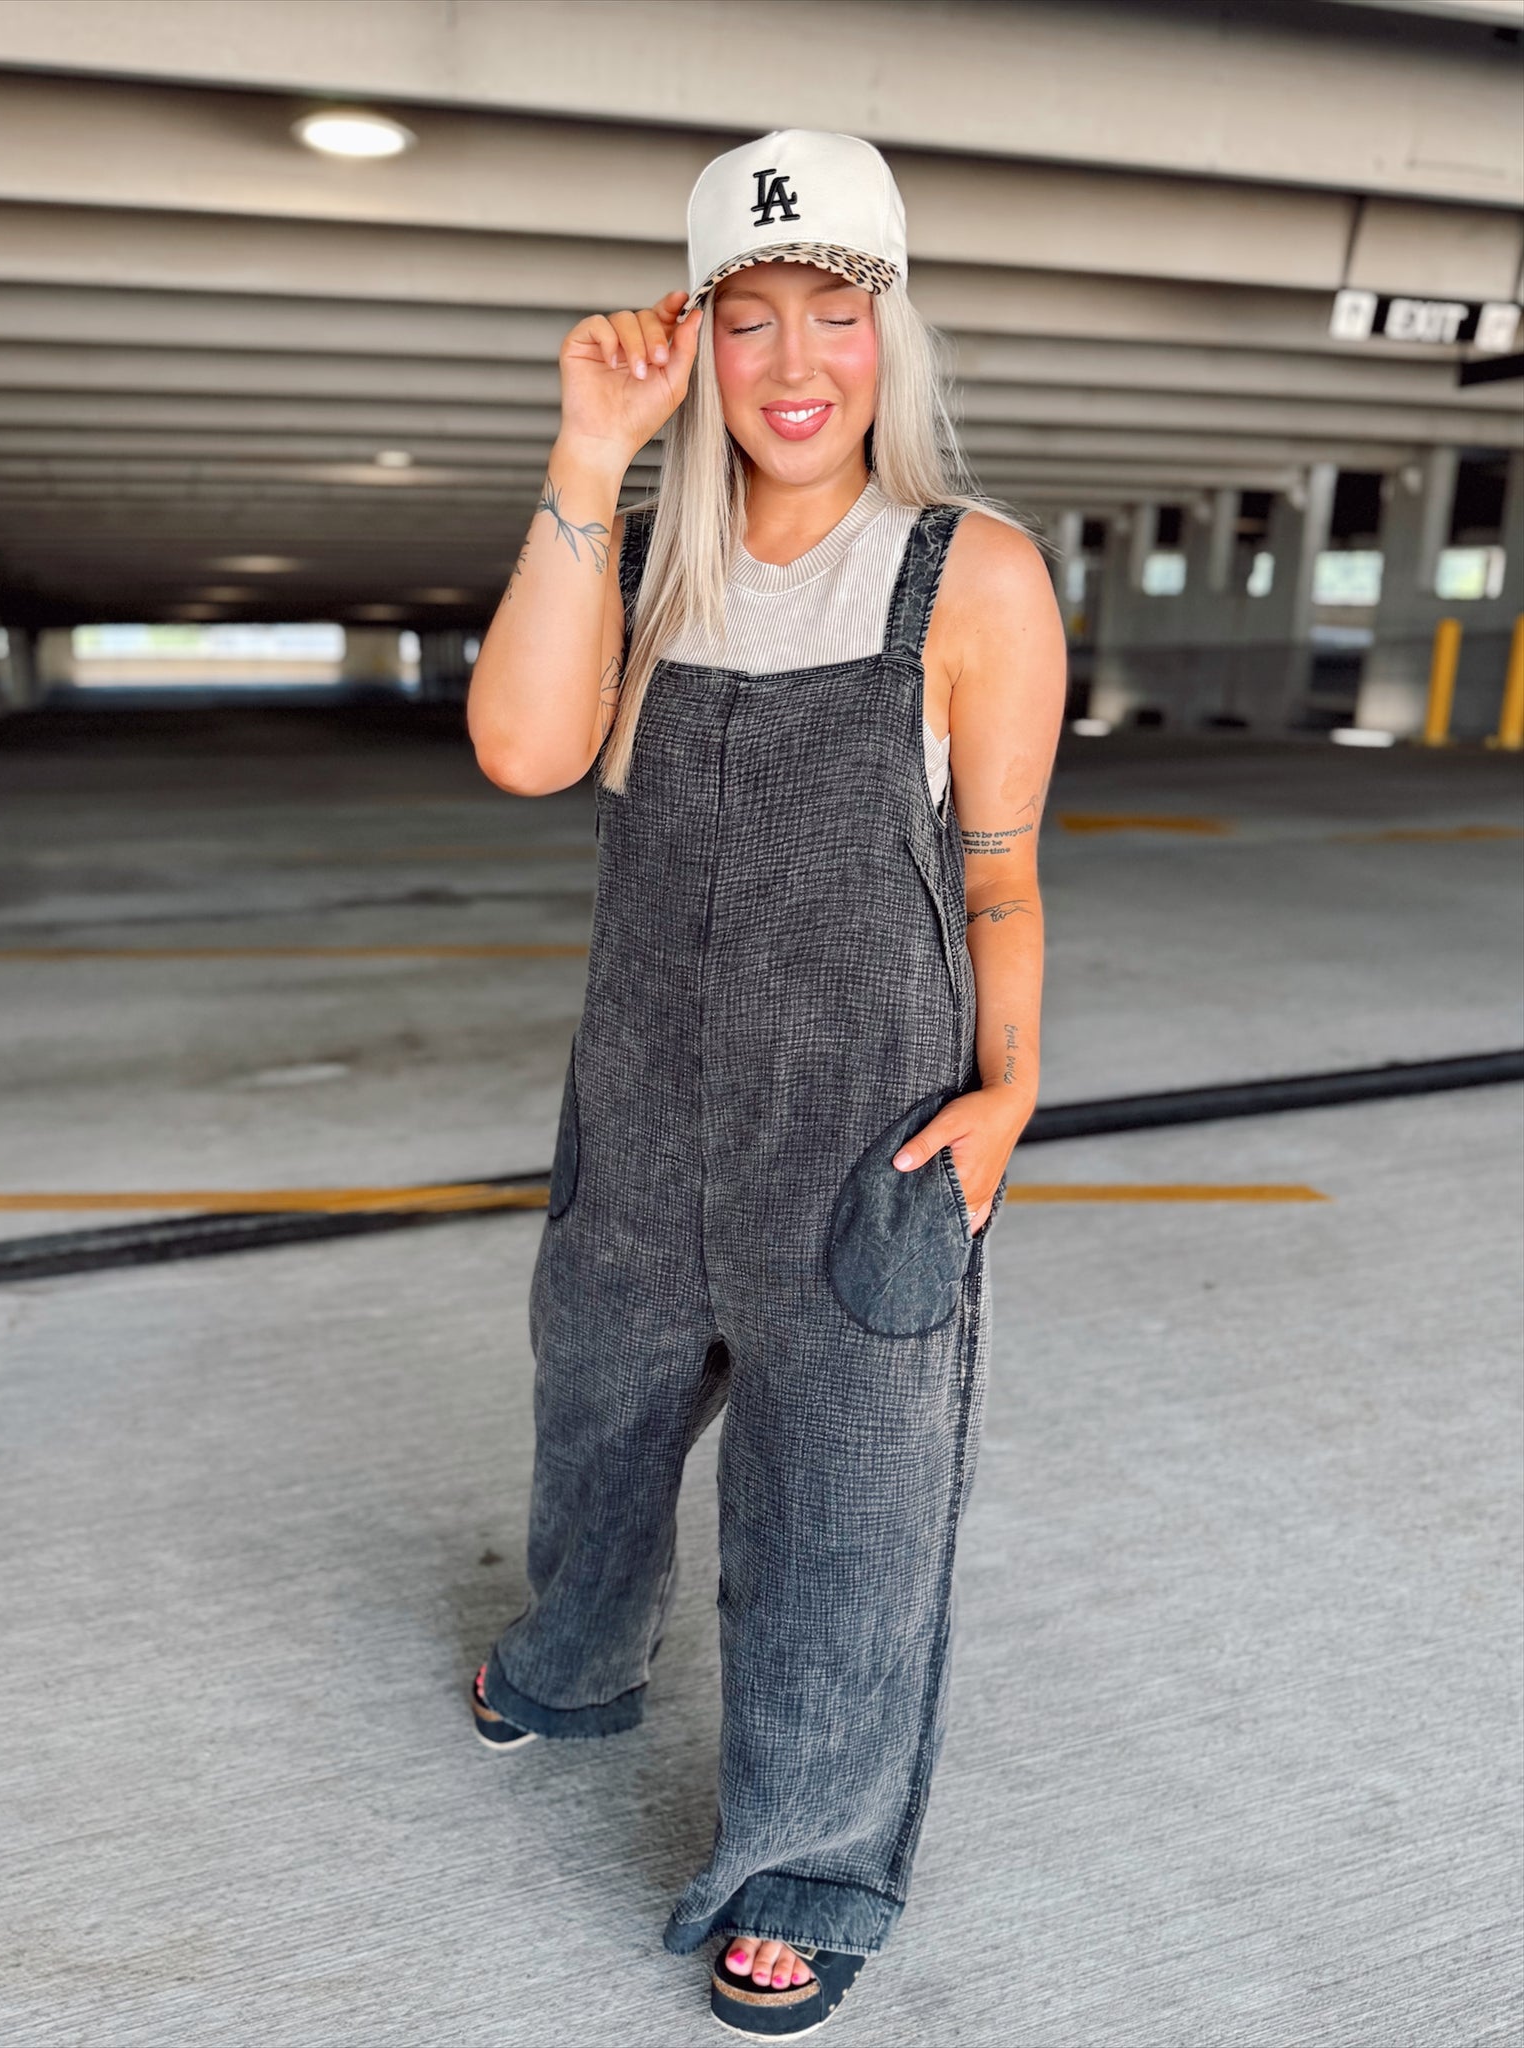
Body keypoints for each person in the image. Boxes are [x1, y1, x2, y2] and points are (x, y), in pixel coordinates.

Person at [465, 128, 1066, 2037]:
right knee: (595, 1426)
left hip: (863, 1139)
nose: (795, 362)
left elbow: (999, 877)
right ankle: (572, 1660)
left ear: (894, 337)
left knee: (843, 1524)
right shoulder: (648, 568)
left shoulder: (971, 574)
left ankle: (806, 1867)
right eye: (750, 320)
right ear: (697, 341)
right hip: (640, 1117)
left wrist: (1008, 1094)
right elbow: (522, 751)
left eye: (838, 314)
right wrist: (590, 452)